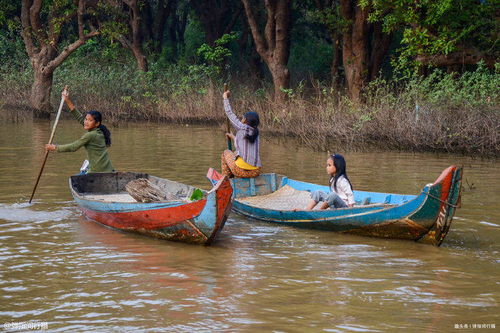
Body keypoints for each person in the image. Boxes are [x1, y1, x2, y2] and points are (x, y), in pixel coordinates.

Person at [45, 89, 114, 174]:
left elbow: (73, 147)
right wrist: (66, 100)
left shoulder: (91, 135)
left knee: (77, 176)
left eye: (90, 120)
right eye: (86, 119)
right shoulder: (99, 131)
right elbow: (79, 117)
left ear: (97, 123)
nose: (86, 122)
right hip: (109, 169)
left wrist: (55, 147)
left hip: (97, 171)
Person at [221, 90, 262, 178]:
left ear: (246, 121)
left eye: (243, 118)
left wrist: (225, 98)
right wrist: (233, 137)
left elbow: (230, 114)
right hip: (256, 171)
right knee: (236, 152)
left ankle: (226, 181)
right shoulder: (256, 133)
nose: (241, 119)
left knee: (225, 153)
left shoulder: (242, 127)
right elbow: (243, 146)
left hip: (240, 171)